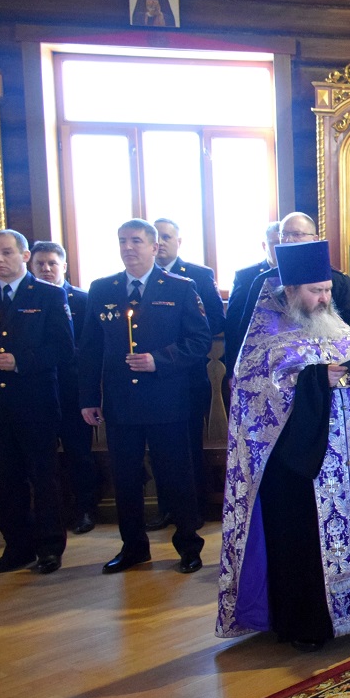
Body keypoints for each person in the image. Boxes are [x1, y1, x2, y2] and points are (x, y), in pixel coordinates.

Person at [216, 240, 350, 652]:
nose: (324, 298)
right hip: (300, 469)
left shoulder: (341, 329)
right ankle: (307, 625)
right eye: (315, 291)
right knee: (303, 545)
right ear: (290, 292)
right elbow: (258, 399)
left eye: (327, 290)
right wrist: (317, 379)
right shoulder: (266, 339)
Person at [78, 219, 210, 574]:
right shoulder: (102, 288)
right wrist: (88, 398)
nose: (128, 247)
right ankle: (134, 547)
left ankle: (188, 545)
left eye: (136, 241)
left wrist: (159, 360)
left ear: (154, 247)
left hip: (167, 400)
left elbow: (200, 341)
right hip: (121, 403)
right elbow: (89, 349)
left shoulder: (181, 287)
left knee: (176, 476)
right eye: (122, 241)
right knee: (125, 479)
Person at [0, 230, 74, 576]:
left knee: (43, 475)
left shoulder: (48, 294)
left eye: (7, 252)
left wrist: (20, 361)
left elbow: (63, 349)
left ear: (24, 256)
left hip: (35, 401)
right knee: (6, 478)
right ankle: (16, 547)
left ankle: (50, 547)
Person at [151, 218, 223, 529]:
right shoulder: (140, 280)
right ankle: (166, 508)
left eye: (166, 236)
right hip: (151, 377)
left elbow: (214, 322)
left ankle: (194, 508)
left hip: (187, 376)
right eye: (156, 237)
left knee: (188, 447)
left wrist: (176, 341)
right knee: (158, 448)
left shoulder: (198, 275)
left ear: (178, 241)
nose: (161, 242)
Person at [30, 241, 101, 535]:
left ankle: (84, 509)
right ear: (31, 267)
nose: (46, 269)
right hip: (36, 391)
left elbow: (91, 347)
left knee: (78, 453)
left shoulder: (83, 300)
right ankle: (52, 513)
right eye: (40, 264)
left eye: (52, 263)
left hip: (73, 390)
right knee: (40, 456)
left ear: (64, 267)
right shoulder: (28, 299)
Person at [231, 212, 350, 349]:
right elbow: (245, 333)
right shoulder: (263, 281)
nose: (288, 240)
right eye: (284, 234)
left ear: (315, 239)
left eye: (297, 234)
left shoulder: (338, 280)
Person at [223, 221, 281, 379]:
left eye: (283, 243)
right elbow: (234, 326)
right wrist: (232, 370)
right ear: (264, 245)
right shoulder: (247, 277)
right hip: (255, 360)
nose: (279, 248)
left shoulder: (302, 277)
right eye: (274, 243)